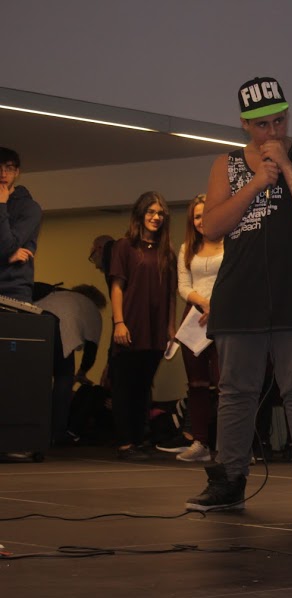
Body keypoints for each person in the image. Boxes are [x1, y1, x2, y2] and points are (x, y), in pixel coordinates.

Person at [184, 77, 292, 517]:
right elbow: (212, 227)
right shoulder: (227, 164)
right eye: (263, 124)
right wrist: (254, 183)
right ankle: (228, 482)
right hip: (240, 294)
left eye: (280, 120)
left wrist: (285, 165)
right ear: (245, 125)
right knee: (236, 391)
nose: (273, 130)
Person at [109, 191, 178, 460]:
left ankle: (138, 440)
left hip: (156, 330)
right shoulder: (124, 246)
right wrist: (119, 322)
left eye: (160, 213)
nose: (156, 217)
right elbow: (117, 286)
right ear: (140, 214)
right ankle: (124, 443)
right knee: (124, 387)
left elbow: (171, 294)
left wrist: (170, 328)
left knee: (143, 386)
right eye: (151, 212)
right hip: (129, 326)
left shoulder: (167, 252)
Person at [172, 193, 222, 462]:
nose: (202, 221)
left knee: (227, 384)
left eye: (206, 214)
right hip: (194, 319)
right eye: (197, 217)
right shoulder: (186, 248)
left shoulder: (231, 243)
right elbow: (183, 286)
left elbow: (236, 280)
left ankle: (230, 445)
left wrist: (216, 307)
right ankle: (200, 442)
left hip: (224, 318)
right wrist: (203, 304)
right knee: (197, 384)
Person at [35, 284, 108, 444]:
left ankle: (31, 429)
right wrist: (82, 372)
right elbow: (91, 350)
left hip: (33, 323)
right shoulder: (91, 308)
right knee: (63, 377)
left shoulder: (57, 293)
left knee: (34, 379)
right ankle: (57, 434)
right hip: (60, 330)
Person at [0, 147, 42, 302]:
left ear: (17, 172)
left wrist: (1, 204)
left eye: (9, 168)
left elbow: (8, 246)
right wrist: (7, 257)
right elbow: (8, 251)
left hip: (13, 290)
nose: (3, 174)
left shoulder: (29, 208)